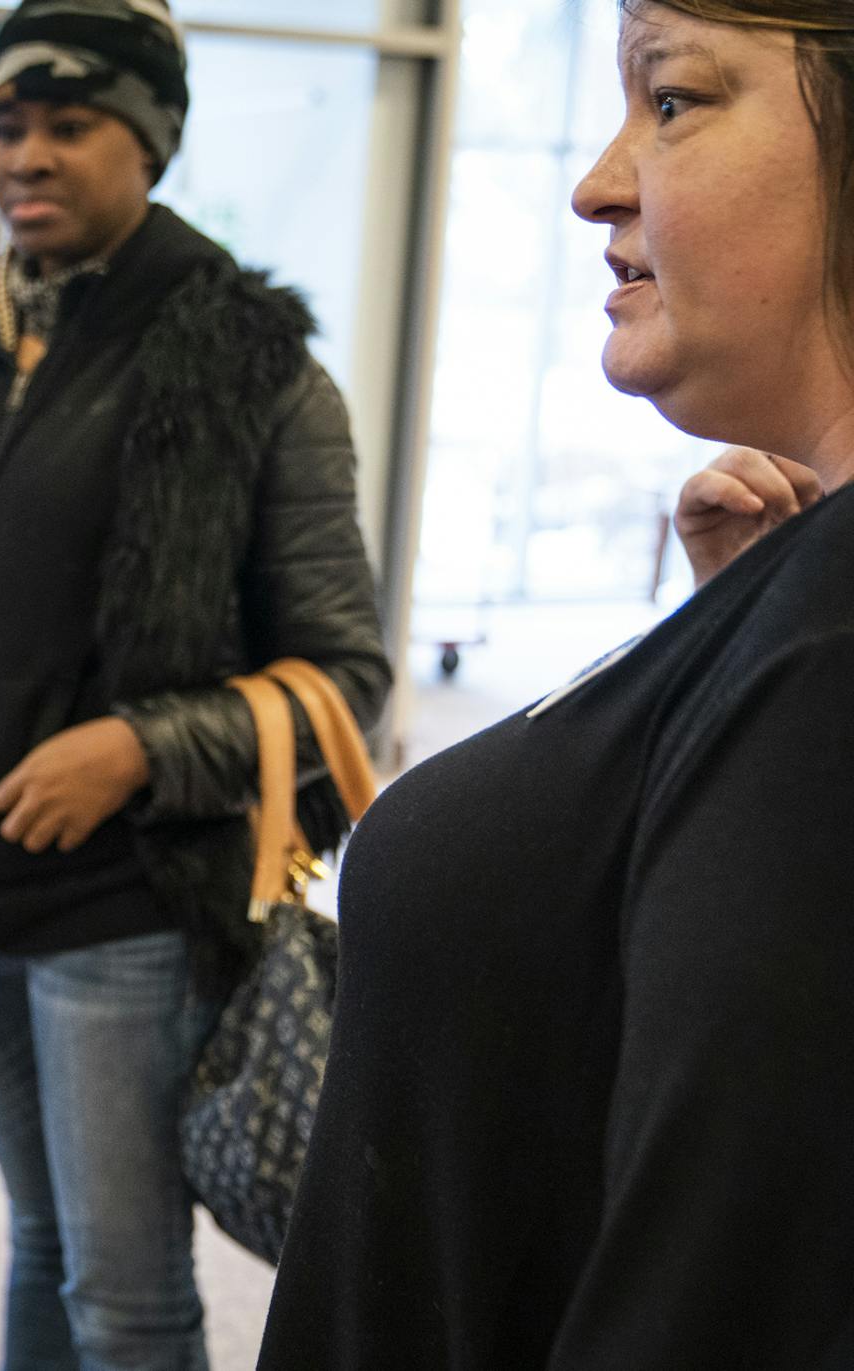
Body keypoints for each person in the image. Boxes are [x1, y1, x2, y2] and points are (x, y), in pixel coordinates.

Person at [0, 1, 389, 1367]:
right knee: (44, 1238)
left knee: (122, 1291)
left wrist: (135, 746)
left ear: (152, 141)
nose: (29, 154)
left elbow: (350, 676)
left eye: (71, 124)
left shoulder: (250, 367)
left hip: (130, 906)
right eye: (8, 124)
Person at [258, 4, 854, 1367]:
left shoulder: (832, 644)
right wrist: (731, 644)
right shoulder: (799, 606)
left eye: (676, 99)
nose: (596, 179)